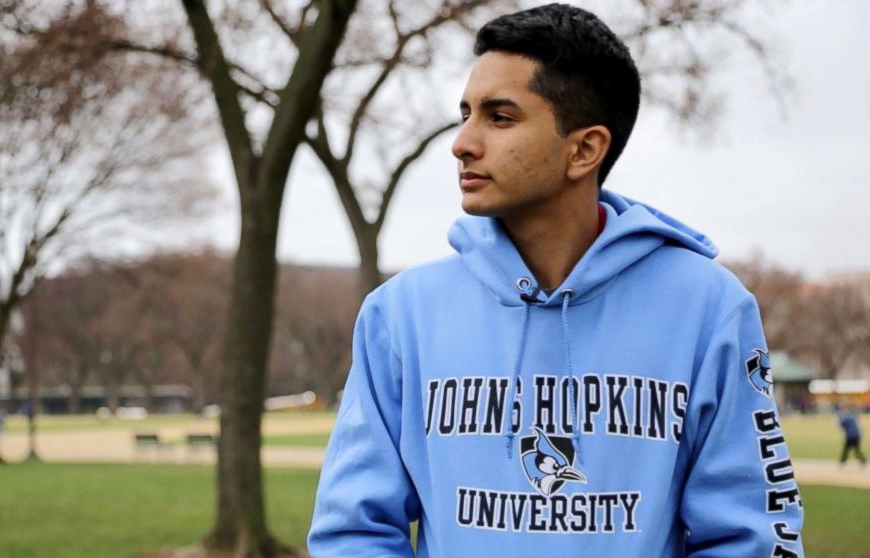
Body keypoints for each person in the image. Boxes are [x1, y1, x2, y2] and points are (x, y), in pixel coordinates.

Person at [308, 4, 805, 557]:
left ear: (585, 149)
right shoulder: (400, 316)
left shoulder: (710, 310)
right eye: (465, 113)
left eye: (499, 117)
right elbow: (352, 532)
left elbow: (754, 537)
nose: (462, 142)